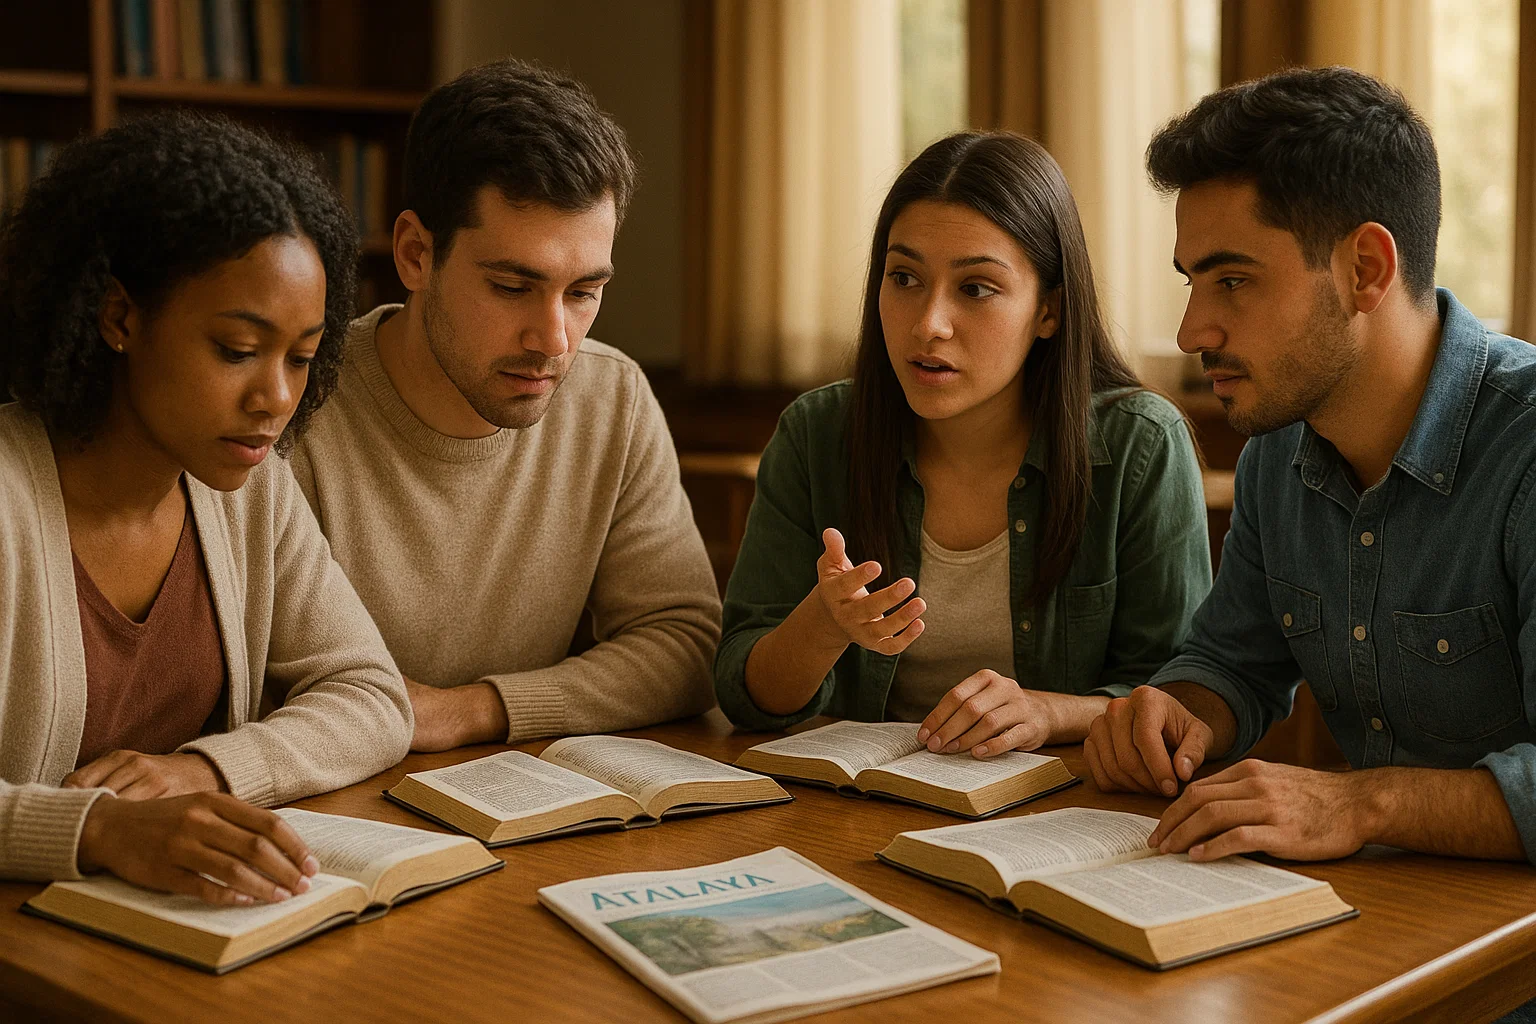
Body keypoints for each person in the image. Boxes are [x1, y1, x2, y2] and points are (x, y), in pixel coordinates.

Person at [1084, 66, 1536, 870]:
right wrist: (1178, 710)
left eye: (1233, 281)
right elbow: (1233, 661)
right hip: (1385, 913)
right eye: (1192, 282)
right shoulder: (1279, 448)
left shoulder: (1526, 448)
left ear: (1366, 269)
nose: (1192, 332)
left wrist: (1359, 803)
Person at [0, 112, 413, 904]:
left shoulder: (253, 489)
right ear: (119, 317)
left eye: (302, 357)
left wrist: (204, 770)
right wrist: (98, 829)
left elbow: (372, 695)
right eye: (237, 350)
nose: (276, 398)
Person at [714, 130, 1211, 756]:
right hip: (852, 796)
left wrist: (1048, 712)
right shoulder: (816, 434)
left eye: (975, 288)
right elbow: (744, 697)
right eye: (904, 278)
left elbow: (1177, 697)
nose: (929, 324)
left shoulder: (1140, 445)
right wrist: (824, 623)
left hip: (1058, 800)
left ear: (1049, 311)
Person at [290, 59, 719, 752]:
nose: (554, 340)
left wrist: (475, 710)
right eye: (513, 287)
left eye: (583, 293)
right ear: (415, 254)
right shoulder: (292, 405)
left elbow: (684, 643)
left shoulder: (612, 396)